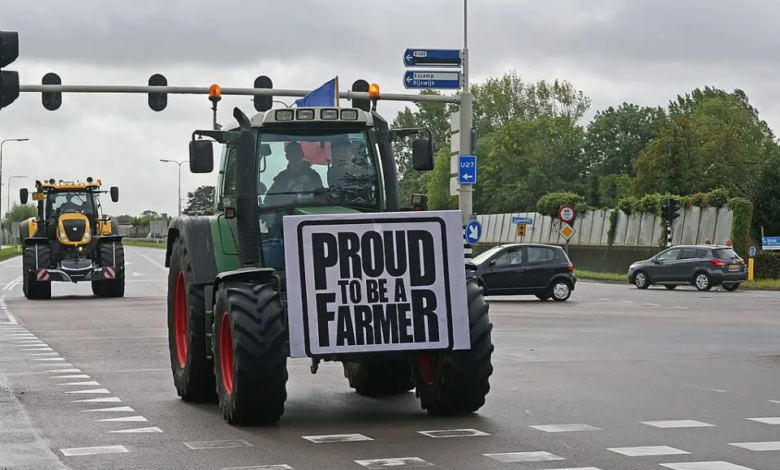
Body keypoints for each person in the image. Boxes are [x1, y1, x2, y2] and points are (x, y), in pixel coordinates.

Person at [264, 141, 324, 206]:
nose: (295, 158)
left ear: (302, 154)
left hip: (308, 212)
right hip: (285, 212)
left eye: (297, 154)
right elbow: (270, 199)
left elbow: (321, 198)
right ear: (287, 156)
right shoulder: (281, 178)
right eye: (292, 155)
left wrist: (309, 183)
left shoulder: (313, 176)